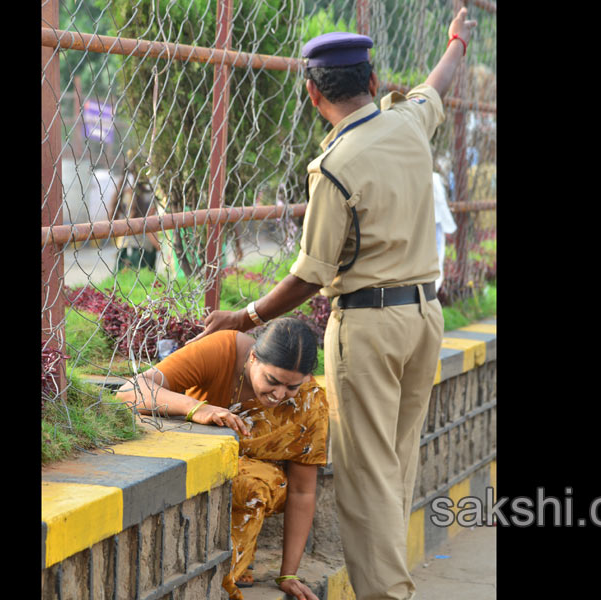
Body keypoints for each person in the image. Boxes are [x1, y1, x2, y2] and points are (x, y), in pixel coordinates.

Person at [189, 8, 477, 600]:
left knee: (367, 476)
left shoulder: (335, 166)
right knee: (397, 463)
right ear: (372, 83)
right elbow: (438, 82)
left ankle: (387, 594)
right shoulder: (407, 121)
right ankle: (393, 581)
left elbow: (309, 275)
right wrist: (458, 40)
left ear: (311, 93)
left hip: (369, 327)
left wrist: (245, 318)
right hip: (426, 318)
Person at [116, 317, 327, 600]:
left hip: (261, 488)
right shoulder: (222, 350)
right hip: (202, 469)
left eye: (291, 388)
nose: (279, 395)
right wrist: (194, 408)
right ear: (253, 357)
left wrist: (288, 573)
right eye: (272, 381)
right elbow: (129, 390)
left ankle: (228, 572)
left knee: (250, 482)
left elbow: (303, 491)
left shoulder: (310, 402)